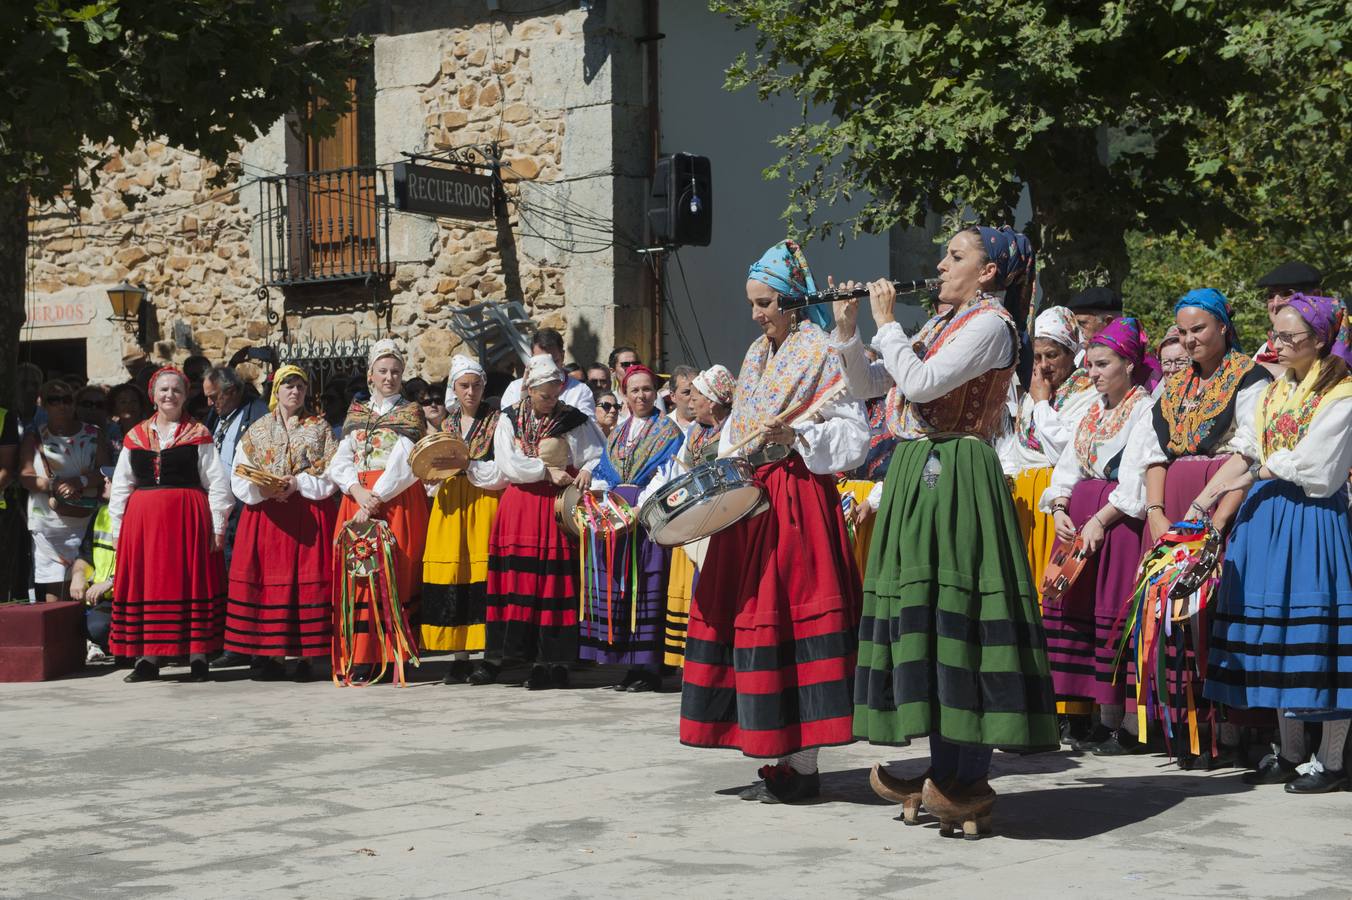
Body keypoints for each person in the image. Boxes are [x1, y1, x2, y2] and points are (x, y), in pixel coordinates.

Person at [837, 226, 1058, 836]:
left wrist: (886, 322)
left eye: (956, 256)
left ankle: (966, 775)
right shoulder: (942, 324)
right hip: (917, 471)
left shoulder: (991, 325)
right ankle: (941, 766)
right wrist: (850, 330)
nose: (940, 264)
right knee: (927, 616)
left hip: (959, 472)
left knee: (959, 612)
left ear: (988, 272)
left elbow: (924, 384)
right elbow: (868, 388)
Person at [680, 240, 869, 804]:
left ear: (791, 300)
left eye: (765, 303)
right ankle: (775, 752)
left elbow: (855, 437)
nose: (757, 314)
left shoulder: (822, 352)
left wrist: (800, 437)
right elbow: (739, 425)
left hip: (798, 500)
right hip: (753, 501)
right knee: (754, 616)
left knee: (792, 616)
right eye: (754, 304)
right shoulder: (756, 356)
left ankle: (803, 764)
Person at [1195, 294, 1352, 793]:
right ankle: (1288, 752)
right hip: (1266, 520)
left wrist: (1244, 477)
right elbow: (1248, 450)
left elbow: (1318, 469)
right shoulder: (1276, 391)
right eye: (1276, 335)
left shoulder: (1342, 395)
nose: (1276, 344)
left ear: (1321, 340)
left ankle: (1329, 761)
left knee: (1315, 639)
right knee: (1277, 637)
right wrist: (1200, 503)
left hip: (1310, 518)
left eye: (1289, 337)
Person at [1115, 287, 1272, 768]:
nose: (1187, 341)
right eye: (1181, 333)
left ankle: (1229, 731)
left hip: (1222, 507)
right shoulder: (1175, 385)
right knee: (1173, 619)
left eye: (1197, 330)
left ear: (1224, 326)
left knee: (1214, 614)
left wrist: (1215, 522)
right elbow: (1152, 452)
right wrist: (1158, 514)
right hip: (1174, 512)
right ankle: (1185, 729)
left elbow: (1249, 450)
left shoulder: (1250, 379)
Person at [1039, 318, 1156, 754]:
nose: (1093, 373)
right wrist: (1058, 507)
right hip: (1080, 523)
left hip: (1117, 525)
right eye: (1090, 365)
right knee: (1080, 613)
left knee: (1113, 616)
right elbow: (1066, 468)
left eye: (1102, 364)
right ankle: (1097, 721)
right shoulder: (1094, 410)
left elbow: (1136, 482)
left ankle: (1124, 723)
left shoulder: (1143, 409)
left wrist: (1100, 520)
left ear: (1129, 363)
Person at [479, 354, 604, 688]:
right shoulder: (508, 419)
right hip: (521, 509)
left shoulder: (573, 419)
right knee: (522, 582)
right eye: (544, 394)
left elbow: (596, 452)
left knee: (556, 580)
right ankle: (525, 657)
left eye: (555, 393)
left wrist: (588, 471)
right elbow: (509, 463)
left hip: (556, 509)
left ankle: (557, 660)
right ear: (528, 389)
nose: (550, 400)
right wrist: (546, 470)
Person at [109, 367, 232, 683]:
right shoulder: (134, 437)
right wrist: (118, 531)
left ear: (185, 395)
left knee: (190, 582)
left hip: (188, 522)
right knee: (150, 584)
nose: (169, 395)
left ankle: (198, 655)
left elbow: (217, 483)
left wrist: (218, 527)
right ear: (153, 396)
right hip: (144, 526)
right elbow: (122, 485)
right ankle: (148, 658)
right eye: (163, 390)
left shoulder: (198, 434)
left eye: (176, 390)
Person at [224, 366, 339, 682]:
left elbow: (332, 470)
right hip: (267, 516)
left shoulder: (320, 428)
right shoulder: (257, 430)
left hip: (307, 513)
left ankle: (305, 656)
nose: (295, 391)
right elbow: (239, 471)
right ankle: (272, 654)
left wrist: (299, 482)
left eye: (300, 386)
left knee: (304, 583)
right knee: (270, 585)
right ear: (276, 390)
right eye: (289, 385)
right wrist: (260, 488)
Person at [327, 340, 430, 685]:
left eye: (396, 371)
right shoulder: (357, 413)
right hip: (358, 499)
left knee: (394, 572)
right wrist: (355, 491)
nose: (389, 377)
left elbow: (405, 461)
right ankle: (361, 655)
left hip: (396, 499)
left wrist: (374, 498)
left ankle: (393, 651)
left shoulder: (410, 413)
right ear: (370, 375)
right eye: (383, 371)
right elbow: (341, 459)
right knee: (358, 574)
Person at [576, 364, 684, 691]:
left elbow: (665, 474)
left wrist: (639, 508)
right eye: (634, 390)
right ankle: (628, 665)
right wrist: (601, 504)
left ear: (656, 392)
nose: (641, 395)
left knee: (646, 587)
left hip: (645, 518)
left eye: (647, 389)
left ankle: (649, 668)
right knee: (622, 591)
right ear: (624, 394)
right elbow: (605, 472)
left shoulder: (668, 431)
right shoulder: (619, 432)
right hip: (617, 521)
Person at [997, 307, 1096, 605]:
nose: (1042, 366)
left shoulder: (1087, 392)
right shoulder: (1034, 391)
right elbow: (1019, 445)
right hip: (1025, 501)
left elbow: (1062, 450)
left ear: (1070, 352)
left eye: (1051, 355)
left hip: (1056, 499)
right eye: (1036, 357)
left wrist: (1041, 404)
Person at [642, 363, 737, 669]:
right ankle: (703, 659)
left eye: (696, 395)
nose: (691, 401)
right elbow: (675, 470)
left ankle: (724, 658)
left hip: (725, 521)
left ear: (711, 399)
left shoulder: (734, 428)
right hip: (699, 522)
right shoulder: (695, 431)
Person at [421, 356, 506, 684]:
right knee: (454, 573)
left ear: (484, 386)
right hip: (451, 506)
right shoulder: (446, 425)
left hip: (483, 501)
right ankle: (458, 655)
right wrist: (432, 479)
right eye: (464, 386)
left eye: (476, 385)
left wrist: (467, 465)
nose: (471, 391)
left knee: (482, 574)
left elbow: (501, 470)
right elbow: (434, 467)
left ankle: (489, 656)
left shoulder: (497, 422)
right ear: (454, 389)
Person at [203, 365, 270, 667]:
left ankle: (249, 645)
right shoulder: (217, 417)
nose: (209, 403)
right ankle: (231, 641)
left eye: (213, 396)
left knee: (246, 576)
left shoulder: (257, 414)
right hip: (222, 509)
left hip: (247, 507)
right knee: (227, 576)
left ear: (230, 392)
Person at [18, 380, 108, 602]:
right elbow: (25, 477)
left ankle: (81, 635)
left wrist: (80, 481)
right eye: (54, 400)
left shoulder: (94, 435)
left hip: (84, 522)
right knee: (54, 589)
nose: (61, 405)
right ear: (43, 404)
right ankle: (57, 636)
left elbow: (106, 472)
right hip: (47, 523)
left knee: (85, 584)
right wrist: (54, 486)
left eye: (67, 399)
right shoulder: (34, 437)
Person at [499, 328, 596, 416]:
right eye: (541, 361)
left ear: (562, 356)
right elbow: (505, 425)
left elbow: (586, 430)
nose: (548, 368)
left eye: (554, 361)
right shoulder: (514, 389)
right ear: (532, 357)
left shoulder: (581, 392)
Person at [1253, 261, 1322, 371]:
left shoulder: (1340, 345)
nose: (1276, 303)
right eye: (1271, 296)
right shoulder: (1265, 350)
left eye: (1286, 293)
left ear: (1316, 296)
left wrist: (1282, 374)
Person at [106, 383, 147, 448]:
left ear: (141, 405)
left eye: (134, 401)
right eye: (123, 402)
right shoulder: (109, 434)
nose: (129, 406)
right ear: (114, 407)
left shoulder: (152, 429)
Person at [665, 365, 699, 432]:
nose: (694, 396)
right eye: (687, 392)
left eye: (698, 391)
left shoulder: (712, 425)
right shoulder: (662, 426)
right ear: (673, 396)